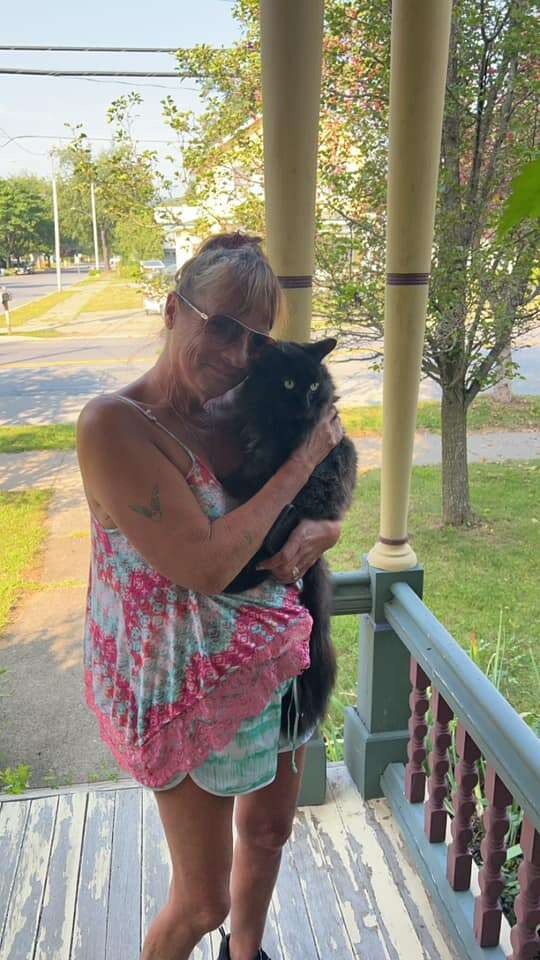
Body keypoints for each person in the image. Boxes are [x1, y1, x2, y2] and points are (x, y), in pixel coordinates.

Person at [76, 231, 344, 960]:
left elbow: (321, 503)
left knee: (269, 832)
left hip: (280, 656)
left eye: (256, 341)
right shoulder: (116, 426)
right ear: (173, 309)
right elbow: (207, 565)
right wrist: (306, 458)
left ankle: (245, 955)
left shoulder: (245, 407)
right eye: (222, 326)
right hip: (184, 681)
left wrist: (326, 528)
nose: (236, 354)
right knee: (200, 901)